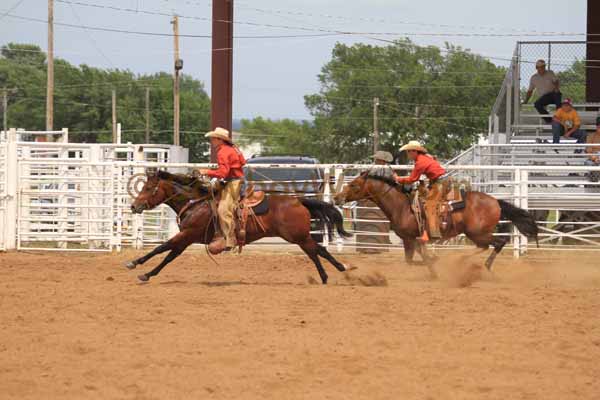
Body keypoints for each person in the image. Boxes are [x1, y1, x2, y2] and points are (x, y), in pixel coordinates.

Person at [197, 127, 246, 254]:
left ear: (220, 140)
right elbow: (243, 162)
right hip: (235, 179)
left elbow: (223, 172)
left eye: (213, 138)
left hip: (233, 182)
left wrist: (207, 172)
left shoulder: (222, 152)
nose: (212, 141)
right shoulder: (233, 149)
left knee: (223, 209)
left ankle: (230, 240)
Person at [395, 141, 447, 240]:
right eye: (407, 151)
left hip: (439, 182)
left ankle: (433, 231)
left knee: (429, 204)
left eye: (409, 151)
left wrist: (398, 179)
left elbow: (412, 179)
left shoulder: (420, 162)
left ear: (415, 151)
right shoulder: (425, 158)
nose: (408, 154)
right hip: (438, 181)